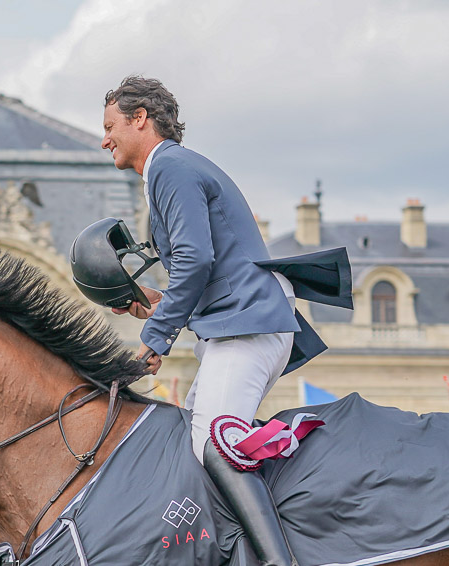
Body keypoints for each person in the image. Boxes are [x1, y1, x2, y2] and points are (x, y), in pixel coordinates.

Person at [101, 75, 301, 566]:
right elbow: (203, 269)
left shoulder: (168, 166)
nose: (104, 138)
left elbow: (194, 260)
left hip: (248, 326)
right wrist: (155, 301)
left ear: (140, 119)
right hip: (239, 323)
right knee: (195, 442)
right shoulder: (169, 170)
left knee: (212, 436)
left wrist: (155, 339)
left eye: (110, 126)